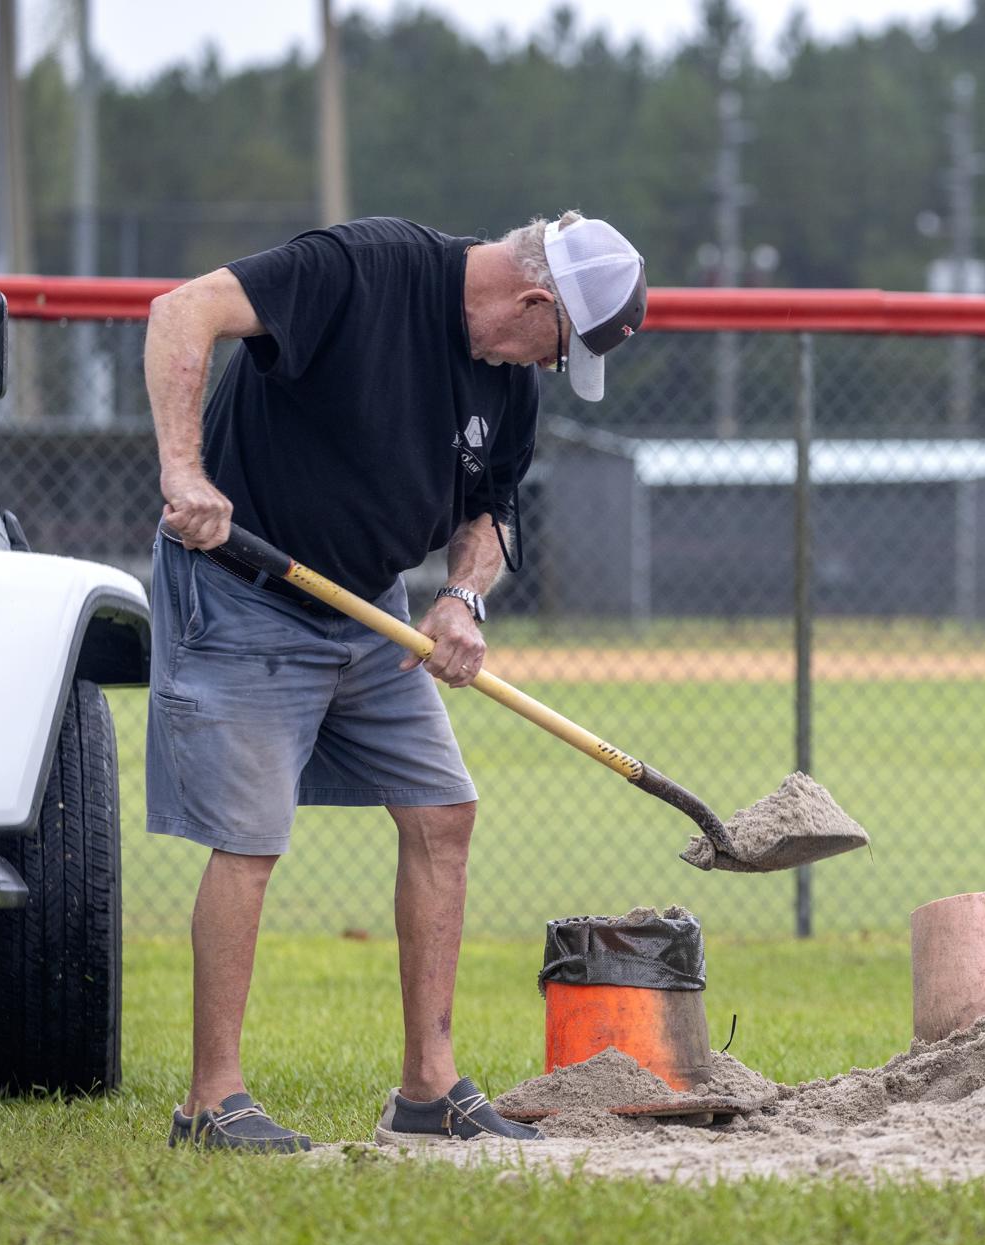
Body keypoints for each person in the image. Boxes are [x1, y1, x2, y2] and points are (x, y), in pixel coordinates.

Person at [145, 212, 647, 1151]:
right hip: (246, 584)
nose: (547, 366)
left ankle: (429, 1088)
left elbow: (492, 509)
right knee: (250, 839)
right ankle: (211, 1102)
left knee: (442, 812)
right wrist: (186, 471)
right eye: (559, 346)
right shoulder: (359, 271)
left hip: (365, 605)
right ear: (535, 301)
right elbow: (183, 310)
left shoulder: (508, 383)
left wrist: (461, 598)